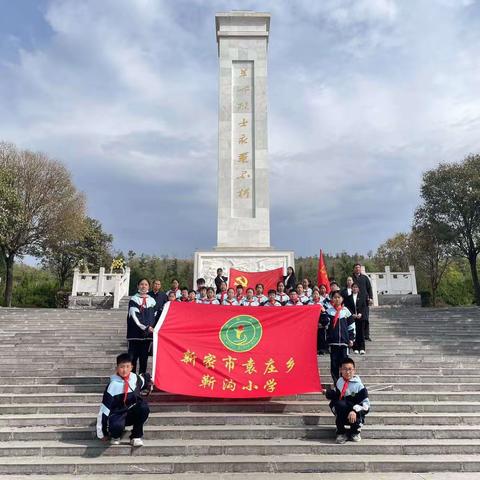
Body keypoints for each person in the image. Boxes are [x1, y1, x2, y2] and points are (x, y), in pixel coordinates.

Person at [96, 353, 151, 447]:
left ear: (131, 367)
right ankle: (116, 436)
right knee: (116, 426)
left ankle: (136, 436)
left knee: (143, 407)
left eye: (127, 366)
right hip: (117, 415)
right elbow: (103, 411)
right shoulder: (112, 385)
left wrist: (150, 379)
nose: (124, 370)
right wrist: (102, 433)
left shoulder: (135, 378)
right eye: (121, 367)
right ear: (117, 368)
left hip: (131, 414)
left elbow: (144, 379)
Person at [324, 357, 370, 444]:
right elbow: (336, 394)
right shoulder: (340, 381)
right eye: (345, 369)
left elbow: (366, 405)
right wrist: (327, 392)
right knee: (339, 405)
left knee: (355, 417)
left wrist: (354, 411)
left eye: (350, 369)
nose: (347, 372)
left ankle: (355, 432)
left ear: (354, 370)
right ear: (341, 370)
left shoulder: (359, 386)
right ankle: (341, 432)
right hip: (343, 411)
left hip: (355, 413)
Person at [320, 290, 355, 384]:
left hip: (344, 343)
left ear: (342, 299)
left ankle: (344, 383)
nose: (337, 299)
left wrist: (351, 339)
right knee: (334, 365)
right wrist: (323, 313)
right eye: (335, 297)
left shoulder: (346, 311)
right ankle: (337, 383)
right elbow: (325, 323)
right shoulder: (328, 311)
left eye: (339, 297)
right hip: (333, 343)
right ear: (332, 299)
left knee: (344, 365)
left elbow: (351, 326)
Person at [127, 279, 156, 375]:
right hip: (135, 335)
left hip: (146, 336)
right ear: (138, 286)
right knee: (132, 359)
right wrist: (147, 327)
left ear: (149, 287)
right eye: (141, 284)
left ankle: (141, 382)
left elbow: (156, 316)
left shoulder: (152, 301)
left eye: (146, 284)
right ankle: (131, 381)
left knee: (144, 359)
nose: (144, 286)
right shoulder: (133, 299)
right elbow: (135, 317)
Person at [352, 264, 373, 341]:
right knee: (355, 318)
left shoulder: (365, 278)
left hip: (364, 301)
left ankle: (366, 335)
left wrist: (370, 298)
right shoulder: (351, 278)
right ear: (353, 269)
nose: (357, 269)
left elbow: (369, 288)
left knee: (365, 318)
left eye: (359, 268)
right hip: (354, 301)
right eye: (356, 268)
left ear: (360, 269)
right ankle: (355, 335)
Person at [344, 283, 367, 355]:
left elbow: (364, 307)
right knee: (355, 333)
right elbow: (347, 307)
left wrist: (361, 313)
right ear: (351, 288)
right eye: (353, 287)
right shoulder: (348, 297)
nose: (355, 289)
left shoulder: (362, 296)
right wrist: (352, 314)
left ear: (358, 289)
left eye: (356, 287)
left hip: (360, 317)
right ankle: (355, 348)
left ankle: (362, 348)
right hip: (353, 318)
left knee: (361, 333)